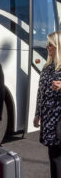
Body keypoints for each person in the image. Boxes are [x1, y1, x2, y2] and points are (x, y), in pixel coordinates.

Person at [33, 31, 61, 178]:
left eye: (50, 44)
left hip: (59, 121)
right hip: (49, 120)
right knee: (54, 158)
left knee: (57, 158)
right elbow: (40, 93)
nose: (47, 47)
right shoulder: (47, 67)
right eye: (47, 44)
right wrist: (37, 114)